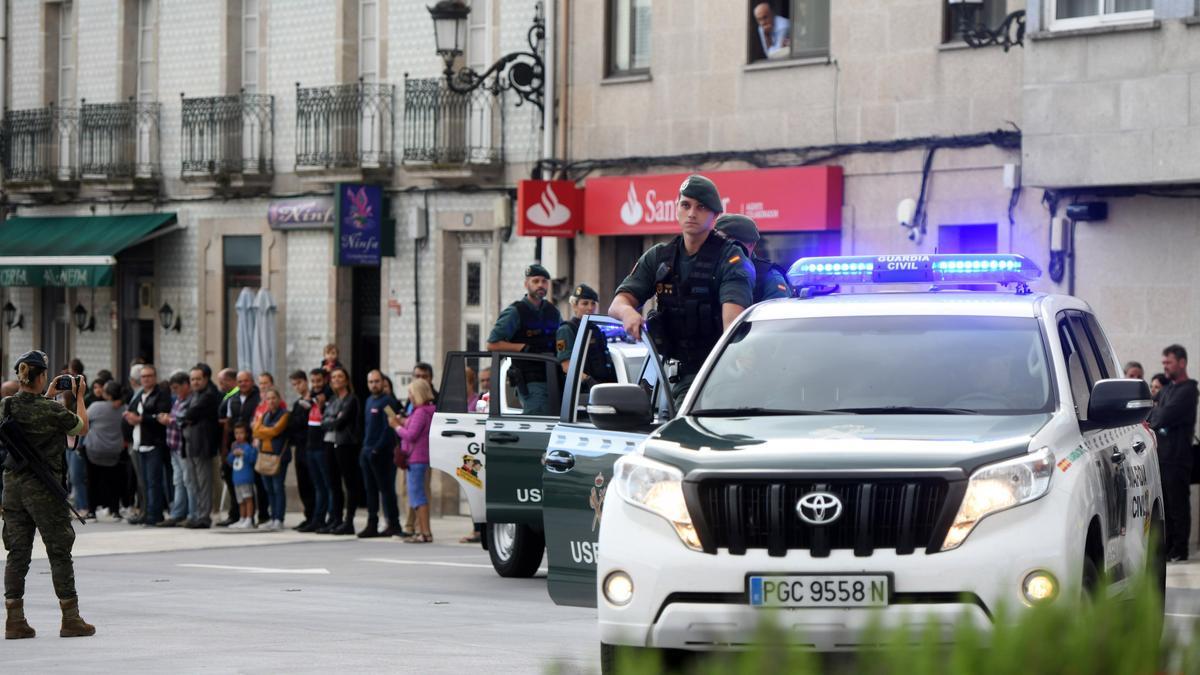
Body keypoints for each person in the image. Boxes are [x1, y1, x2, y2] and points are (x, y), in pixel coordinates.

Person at [608, 174, 755, 402]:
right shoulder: (660, 257)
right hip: (670, 374)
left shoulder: (730, 258)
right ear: (676, 208)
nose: (692, 213)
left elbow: (732, 325)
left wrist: (737, 366)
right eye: (685, 205)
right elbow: (618, 303)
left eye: (701, 207)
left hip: (717, 374)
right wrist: (628, 312)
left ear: (715, 216)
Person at [1, 350, 95, 639]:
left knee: (17, 553)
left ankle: (14, 620)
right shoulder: (52, 410)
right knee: (59, 551)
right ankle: (71, 618)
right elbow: (82, 427)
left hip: (13, 488)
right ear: (41, 376)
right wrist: (78, 397)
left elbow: (26, 413)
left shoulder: (6, 405)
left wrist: (46, 395)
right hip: (43, 489)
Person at [486, 264, 563, 415]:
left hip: (554, 377)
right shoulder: (516, 312)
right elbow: (492, 344)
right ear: (526, 284)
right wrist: (522, 347)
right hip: (531, 380)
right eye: (535, 281)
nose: (540, 285)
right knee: (540, 423)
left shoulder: (553, 311)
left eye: (544, 281)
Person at [1147, 344, 1198, 563]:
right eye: (1164, 363)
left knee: (1177, 504)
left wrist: (1157, 413)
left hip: (1178, 457)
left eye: (1168, 362)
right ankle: (1168, 548)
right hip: (1162, 456)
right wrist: (1157, 413)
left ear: (1182, 362)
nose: (1165, 366)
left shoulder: (1188, 390)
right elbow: (1152, 411)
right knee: (1165, 505)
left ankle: (1180, 548)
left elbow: (1162, 415)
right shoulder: (1168, 389)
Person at [123, 365, 172, 526]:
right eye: (143, 377)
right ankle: (146, 512)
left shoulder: (161, 394)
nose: (146, 379)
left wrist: (141, 419)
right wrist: (130, 417)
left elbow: (161, 415)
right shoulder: (140, 395)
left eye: (149, 376)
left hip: (154, 444)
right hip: (138, 443)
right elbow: (134, 413)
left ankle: (154, 514)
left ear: (155, 377)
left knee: (154, 482)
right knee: (143, 483)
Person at [391, 378, 436, 543]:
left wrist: (396, 426)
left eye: (410, 392)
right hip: (422, 458)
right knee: (418, 496)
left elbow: (411, 435)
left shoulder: (420, 412)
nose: (409, 396)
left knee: (417, 497)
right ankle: (424, 532)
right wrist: (403, 422)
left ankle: (424, 532)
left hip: (416, 458)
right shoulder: (428, 410)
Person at [360, 370, 401, 538]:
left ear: (382, 382)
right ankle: (372, 523)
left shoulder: (388, 401)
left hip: (382, 453)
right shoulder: (369, 401)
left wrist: (378, 447)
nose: (374, 385)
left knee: (386, 490)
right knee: (370, 490)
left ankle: (393, 523)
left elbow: (390, 427)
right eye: (371, 382)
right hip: (367, 451)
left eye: (377, 381)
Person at [714, 214, 793, 303]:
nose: (728, 249)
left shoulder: (770, 278)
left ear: (751, 244)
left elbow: (779, 314)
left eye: (734, 244)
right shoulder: (709, 268)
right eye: (721, 242)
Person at [320, 367, 362, 535]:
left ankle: (349, 520)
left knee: (349, 483)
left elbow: (342, 421)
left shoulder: (352, 399)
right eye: (334, 377)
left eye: (340, 377)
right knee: (333, 483)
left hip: (345, 444)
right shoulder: (332, 399)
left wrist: (333, 419)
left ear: (346, 380)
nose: (336, 380)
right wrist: (333, 418)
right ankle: (336, 519)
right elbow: (324, 421)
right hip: (330, 443)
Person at [179, 364, 221, 529]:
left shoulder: (209, 394)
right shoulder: (195, 394)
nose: (195, 382)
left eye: (198, 379)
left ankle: (204, 516)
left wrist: (186, 418)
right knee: (193, 481)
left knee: (204, 482)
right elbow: (185, 416)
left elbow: (189, 414)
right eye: (192, 379)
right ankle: (196, 514)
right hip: (190, 443)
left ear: (206, 379)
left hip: (202, 444)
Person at [555, 283, 618, 388]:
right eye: (585, 303)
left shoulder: (595, 329)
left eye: (593, 303)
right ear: (574, 305)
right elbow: (567, 366)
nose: (590, 307)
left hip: (603, 386)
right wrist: (588, 380)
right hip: (581, 391)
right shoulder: (566, 330)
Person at [83, 381, 128, 521]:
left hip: (94, 449)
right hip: (114, 450)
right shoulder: (123, 408)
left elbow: (83, 420)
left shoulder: (96, 407)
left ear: (106, 394)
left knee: (92, 481)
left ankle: (91, 511)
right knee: (114, 481)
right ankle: (115, 511)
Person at [299, 368, 334, 533]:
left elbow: (328, 419)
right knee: (317, 486)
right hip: (310, 446)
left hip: (322, 447)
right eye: (313, 381)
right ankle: (317, 518)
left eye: (318, 381)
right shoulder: (311, 396)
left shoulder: (328, 396)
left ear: (325, 380)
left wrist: (320, 405)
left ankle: (330, 518)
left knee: (328, 485)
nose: (315, 385)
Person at [157, 371, 193, 527]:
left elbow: (182, 419)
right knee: (178, 481)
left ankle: (192, 514)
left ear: (186, 385)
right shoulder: (178, 399)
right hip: (174, 446)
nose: (175, 391)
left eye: (177, 387)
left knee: (188, 481)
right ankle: (177, 513)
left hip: (184, 446)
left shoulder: (191, 400)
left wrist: (168, 420)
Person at [252, 388, 290, 531]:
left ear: (279, 399)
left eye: (274, 398)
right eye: (268, 399)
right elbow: (255, 431)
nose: (271, 401)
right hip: (264, 454)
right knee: (268, 489)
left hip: (278, 456)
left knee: (278, 487)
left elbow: (276, 430)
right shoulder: (265, 414)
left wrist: (264, 432)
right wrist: (266, 432)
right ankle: (273, 517)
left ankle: (279, 518)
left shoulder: (285, 414)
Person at [287, 370, 316, 530]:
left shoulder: (312, 401)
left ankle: (315, 516)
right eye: (294, 385)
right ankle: (308, 515)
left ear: (305, 382)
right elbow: (293, 424)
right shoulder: (298, 404)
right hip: (299, 446)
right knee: (303, 483)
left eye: (299, 383)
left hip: (310, 445)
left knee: (312, 483)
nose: (297, 387)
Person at [226, 423, 258, 530]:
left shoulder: (248, 447)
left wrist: (244, 453)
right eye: (236, 433)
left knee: (248, 498)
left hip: (246, 477)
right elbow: (229, 461)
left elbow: (252, 459)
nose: (239, 435)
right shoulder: (235, 446)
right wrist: (233, 453)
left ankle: (249, 519)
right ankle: (242, 518)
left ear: (246, 434)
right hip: (237, 479)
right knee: (240, 500)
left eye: (241, 433)